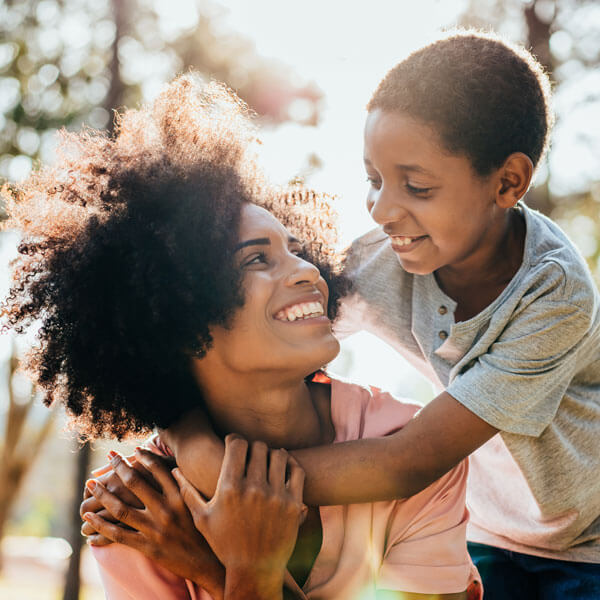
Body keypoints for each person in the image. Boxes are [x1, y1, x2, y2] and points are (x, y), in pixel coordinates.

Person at [139, 32, 600, 599]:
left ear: (508, 182)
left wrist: (232, 480)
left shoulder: (554, 294)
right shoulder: (382, 261)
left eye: (416, 186)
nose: (382, 210)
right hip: (485, 529)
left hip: (585, 546)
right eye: (374, 180)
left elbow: (409, 460)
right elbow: (237, 342)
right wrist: (183, 431)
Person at [2, 74, 480, 599]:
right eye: (257, 259)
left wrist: (224, 569)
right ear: (176, 315)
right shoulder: (139, 510)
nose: (307, 271)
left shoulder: (403, 445)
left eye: (297, 249)